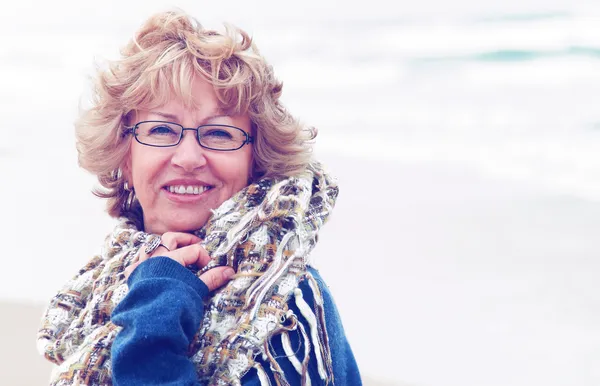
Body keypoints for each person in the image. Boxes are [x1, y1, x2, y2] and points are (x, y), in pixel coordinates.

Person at [37, 10, 361, 386]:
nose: (189, 158)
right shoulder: (113, 283)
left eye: (219, 134)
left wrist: (155, 311)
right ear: (124, 156)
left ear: (255, 160)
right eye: (160, 129)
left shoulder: (282, 302)